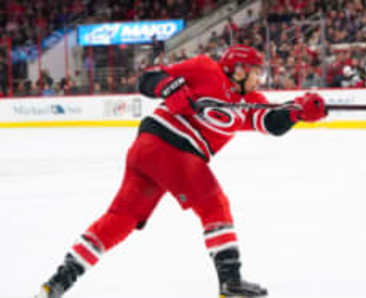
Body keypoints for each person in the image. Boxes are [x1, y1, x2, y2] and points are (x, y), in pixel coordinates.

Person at [34, 45, 327, 298]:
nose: (258, 78)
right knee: (214, 205)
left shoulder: (251, 103)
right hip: (170, 147)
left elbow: (272, 123)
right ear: (238, 69)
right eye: (255, 71)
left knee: (121, 219)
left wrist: (298, 112)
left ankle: (58, 282)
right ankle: (231, 282)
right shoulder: (204, 68)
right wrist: (171, 88)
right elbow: (149, 79)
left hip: (148, 152)